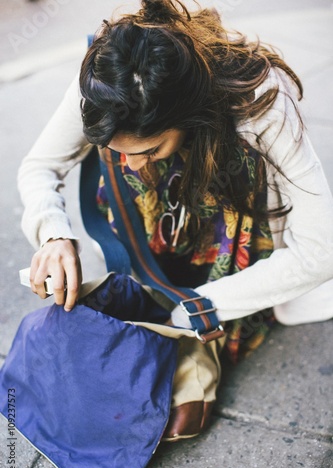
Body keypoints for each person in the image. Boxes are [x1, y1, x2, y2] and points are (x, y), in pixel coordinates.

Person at [18, 0, 333, 439]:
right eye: (115, 151)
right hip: (148, 244)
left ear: (188, 116)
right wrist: (53, 235)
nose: (127, 166)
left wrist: (198, 311)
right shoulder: (105, 84)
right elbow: (38, 167)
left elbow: (321, 250)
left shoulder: (262, 104)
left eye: (145, 150)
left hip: (238, 257)